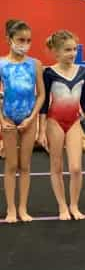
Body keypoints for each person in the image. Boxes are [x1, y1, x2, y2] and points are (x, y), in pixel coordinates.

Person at [38, 30, 85, 220]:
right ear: (56, 52)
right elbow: (44, 104)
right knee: (57, 166)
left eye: (74, 49)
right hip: (54, 121)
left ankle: (74, 205)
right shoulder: (49, 73)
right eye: (67, 50)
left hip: (74, 122)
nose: (72, 53)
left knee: (76, 167)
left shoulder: (82, 72)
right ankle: (62, 206)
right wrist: (41, 130)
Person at [0, 19, 45, 223]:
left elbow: (42, 95)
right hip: (8, 118)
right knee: (11, 165)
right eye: (20, 39)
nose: (25, 43)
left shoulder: (35, 64)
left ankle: (23, 208)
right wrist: (1, 119)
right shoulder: (1, 64)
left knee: (25, 166)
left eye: (28, 40)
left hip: (29, 118)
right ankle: (10, 209)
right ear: (9, 39)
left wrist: (32, 118)